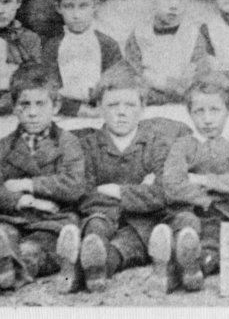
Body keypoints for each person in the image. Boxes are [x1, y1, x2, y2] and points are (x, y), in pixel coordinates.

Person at [56, 68, 191, 293]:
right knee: (95, 228)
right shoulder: (87, 146)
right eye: (112, 105)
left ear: (142, 108)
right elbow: (83, 191)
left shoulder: (157, 146)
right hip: (101, 216)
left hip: (143, 222)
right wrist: (139, 191)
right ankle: (83, 256)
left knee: (125, 246)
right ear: (99, 107)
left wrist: (116, 191)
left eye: (129, 106)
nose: (121, 113)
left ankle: (87, 271)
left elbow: (163, 191)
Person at [0, 63, 86, 299]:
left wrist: (26, 184)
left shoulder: (68, 142)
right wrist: (28, 201)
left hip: (52, 221)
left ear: (56, 106)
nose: (32, 112)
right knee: (0, 233)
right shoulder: (4, 145)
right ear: (14, 107)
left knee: (34, 250)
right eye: (24, 104)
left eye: (41, 104)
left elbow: (75, 185)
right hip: (13, 216)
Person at [157, 72, 229, 291]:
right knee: (186, 226)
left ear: (228, 111)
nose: (207, 118)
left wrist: (202, 180)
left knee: (214, 241)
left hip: (224, 215)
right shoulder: (182, 146)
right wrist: (224, 186)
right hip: (187, 211)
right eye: (199, 111)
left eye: (215, 110)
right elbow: (172, 186)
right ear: (189, 113)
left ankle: (191, 268)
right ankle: (179, 257)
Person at [41, 0, 123, 117]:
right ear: (58, 8)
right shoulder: (52, 47)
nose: (76, 15)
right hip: (66, 113)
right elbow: (48, 91)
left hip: (103, 112)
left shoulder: (108, 44)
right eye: (69, 6)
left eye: (83, 6)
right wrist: (77, 110)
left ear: (95, 6)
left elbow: (118, 85)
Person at [123, 0, 203, 105]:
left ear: (190, 0)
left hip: (184, 102)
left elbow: (198, 72)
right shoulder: (140, 34)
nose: (173, 4)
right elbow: (133, 73)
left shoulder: (193, 34)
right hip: (148, 101)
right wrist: (164, 85)